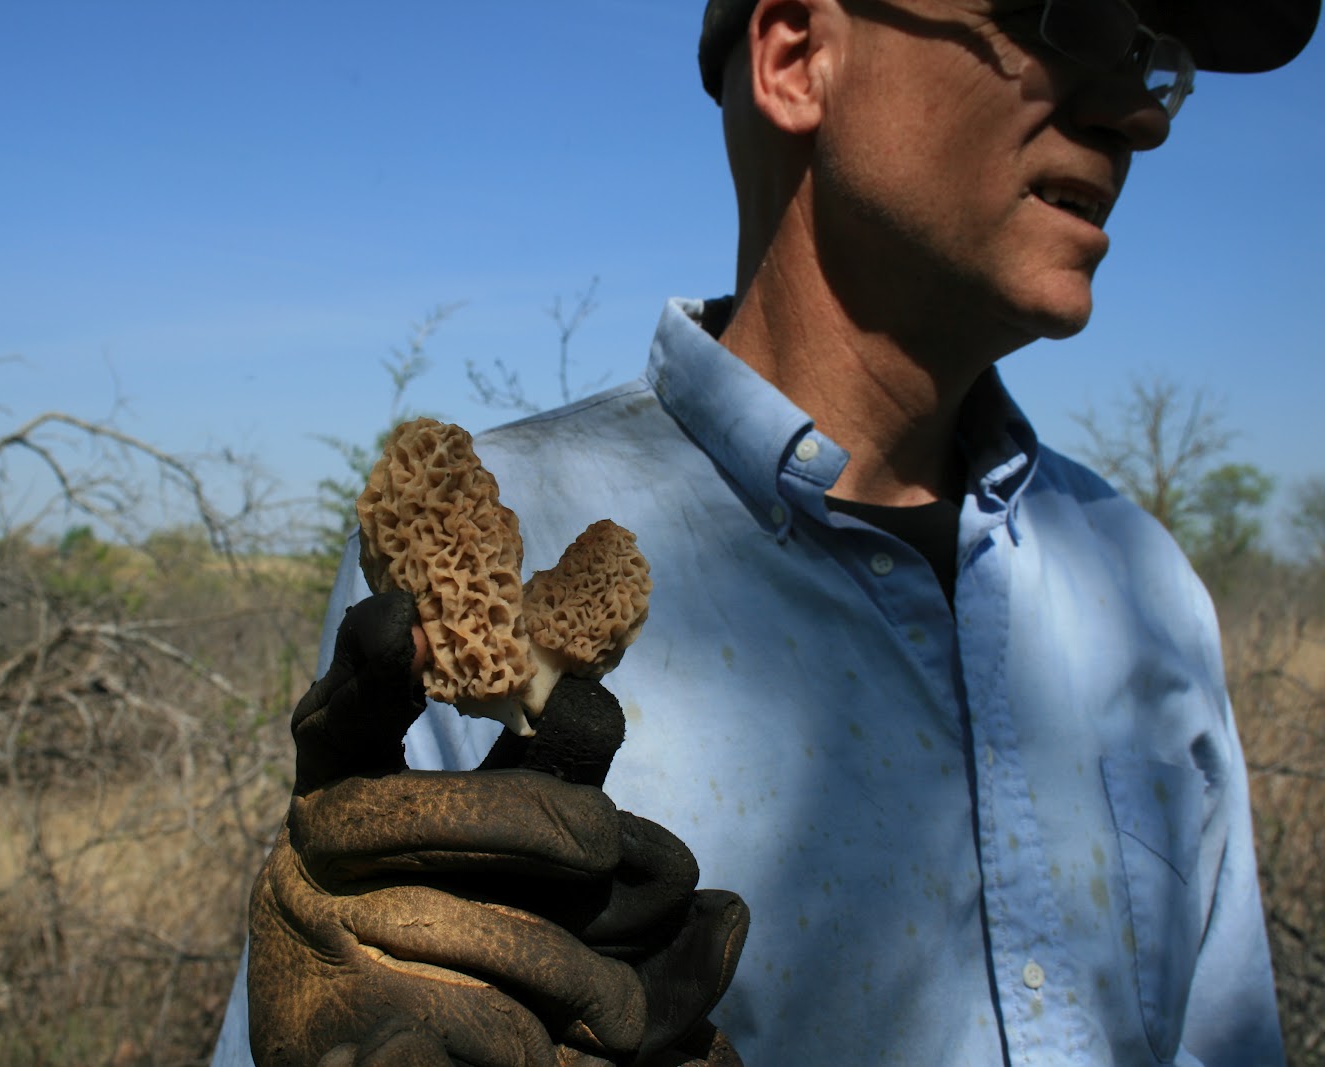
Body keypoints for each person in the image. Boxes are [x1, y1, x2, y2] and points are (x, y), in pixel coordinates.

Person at [213, 0, 1320, 1063]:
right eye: (1070, 15)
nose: (1138, 111)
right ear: (797, 56)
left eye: (1155, 52)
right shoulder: (508, 541)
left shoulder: (1145, 584)